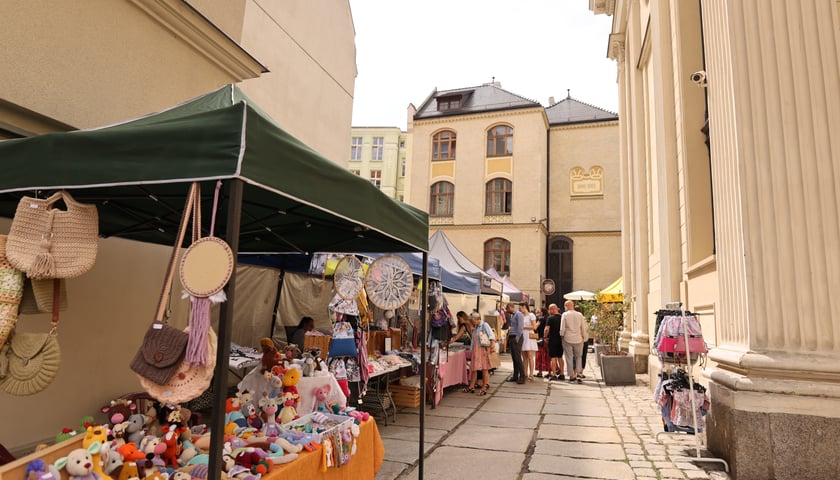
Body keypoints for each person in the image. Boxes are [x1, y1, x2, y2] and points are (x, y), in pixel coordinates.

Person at [463, 312, 493, 396]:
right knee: (474, 369)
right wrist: (471, 349)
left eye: (472, 320)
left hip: (483, 350)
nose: (471, 322)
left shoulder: (484, 325)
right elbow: (473, 340)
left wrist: (492, 348)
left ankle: (484, 386)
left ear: (476, 319)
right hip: (476, 351)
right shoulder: (475, 328)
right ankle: (471, 386)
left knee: (484, 369)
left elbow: (491, 336)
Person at [560, 300, 588, 383]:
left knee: (569, 357)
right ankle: (578, 373)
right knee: (578, 356)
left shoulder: (565, 314)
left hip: (567, 338)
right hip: (578, 338)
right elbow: (583, 327)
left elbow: (562, 328)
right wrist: (583, 336)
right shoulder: (580, 315)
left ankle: (571, 375)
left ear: (567, 306)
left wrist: (562, 336)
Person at [505, 302, 525, 384]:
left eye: (507, 308)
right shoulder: (513, 315)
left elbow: (520, 327)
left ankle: (522, 376)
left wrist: (517, 338)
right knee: (514, 357)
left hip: (517, 337)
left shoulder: (518, 314)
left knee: (517, 357)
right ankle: (515, 375)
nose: (506, 310)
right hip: (512, 336)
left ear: (510, 307)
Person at [545, 303, 565, 381]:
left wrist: (545, 336)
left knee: (553, 357)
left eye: (550, 309)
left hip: (552, 339)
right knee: (560, 357)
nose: (549, 311)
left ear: (553, 309)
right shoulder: (562, 317)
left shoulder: (550, 318)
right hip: (561, 339)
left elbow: (547, 329)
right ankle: (562, 374)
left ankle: (554, 374)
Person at [520, 303, 538, 381]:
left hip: (529, 335)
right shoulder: (521, 316)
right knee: (524, 357)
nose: (520, 309)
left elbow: (534, 326)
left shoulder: (531, 315)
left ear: (524, 307)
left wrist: (524, 327)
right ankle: (525, 373)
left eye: (520, 308)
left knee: (530, 356)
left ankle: (531, 374)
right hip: (523, 336)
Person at [534, 307, 551, 378]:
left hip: (541, 339)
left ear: (542, 312)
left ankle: (540, 372)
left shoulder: (541, 319)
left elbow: (535, 327)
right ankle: (550, 371)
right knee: (548, 356)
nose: (539, 313)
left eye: (540, 312)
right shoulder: (549, 318)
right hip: (548, 339)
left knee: (539, 356)